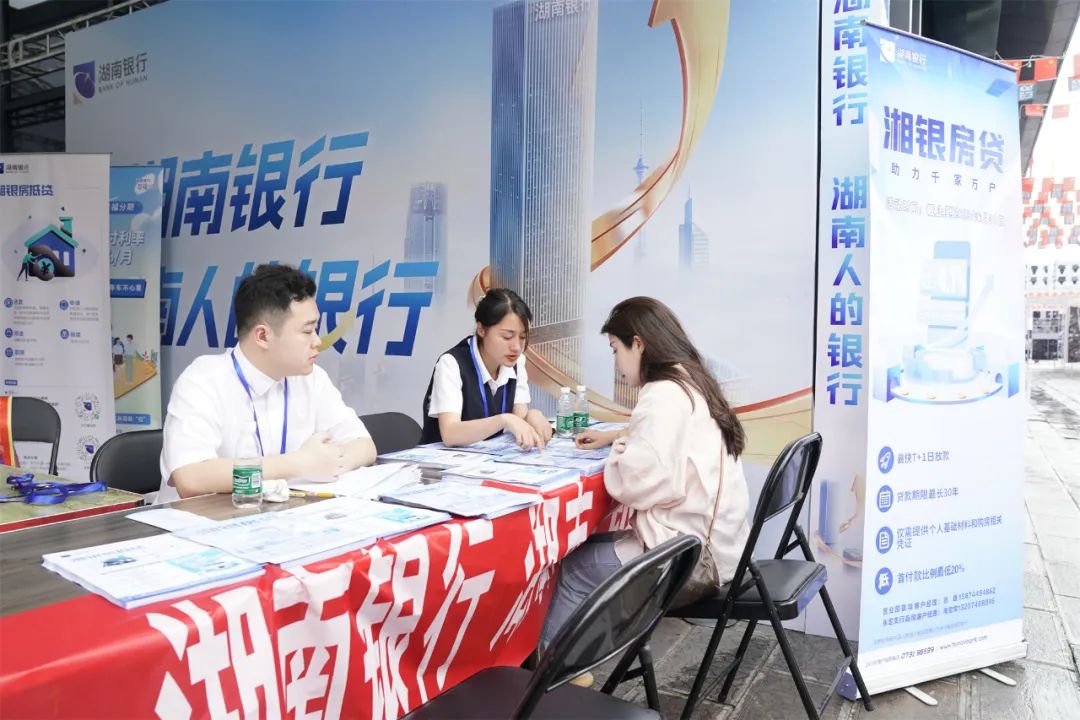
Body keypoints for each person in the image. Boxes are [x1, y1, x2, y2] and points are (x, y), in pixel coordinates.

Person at [539, 297, 750, 681]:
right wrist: (623, 435)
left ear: (638, 344)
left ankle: (553, 680)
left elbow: (636, 483)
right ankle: (576, 662)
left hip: (692, 561)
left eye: (615, 350)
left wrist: (620, 446)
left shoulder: (662, 394)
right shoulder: (691, 381)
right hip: (718, 545)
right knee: (589, 549)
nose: (617, 364)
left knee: (571, 568)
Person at [158, 263, 376, 502]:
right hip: (204, 520)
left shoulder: (311, 377)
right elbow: (190, 478)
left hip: (280, 517)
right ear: (263, 336)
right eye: (307, 331)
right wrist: (299, 463)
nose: (317, 341)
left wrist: (328, 463)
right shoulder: (203, 380)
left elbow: (364, 446)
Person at [420, 288, 552, 449]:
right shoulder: (452, 363)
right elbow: (450, 434)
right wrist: (504, 420)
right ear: (481, 329)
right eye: (507, 337)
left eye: (523, 337)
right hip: (441, 462)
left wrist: (533, 415)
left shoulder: (516, 363)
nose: (517, 347)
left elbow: (519, 418)